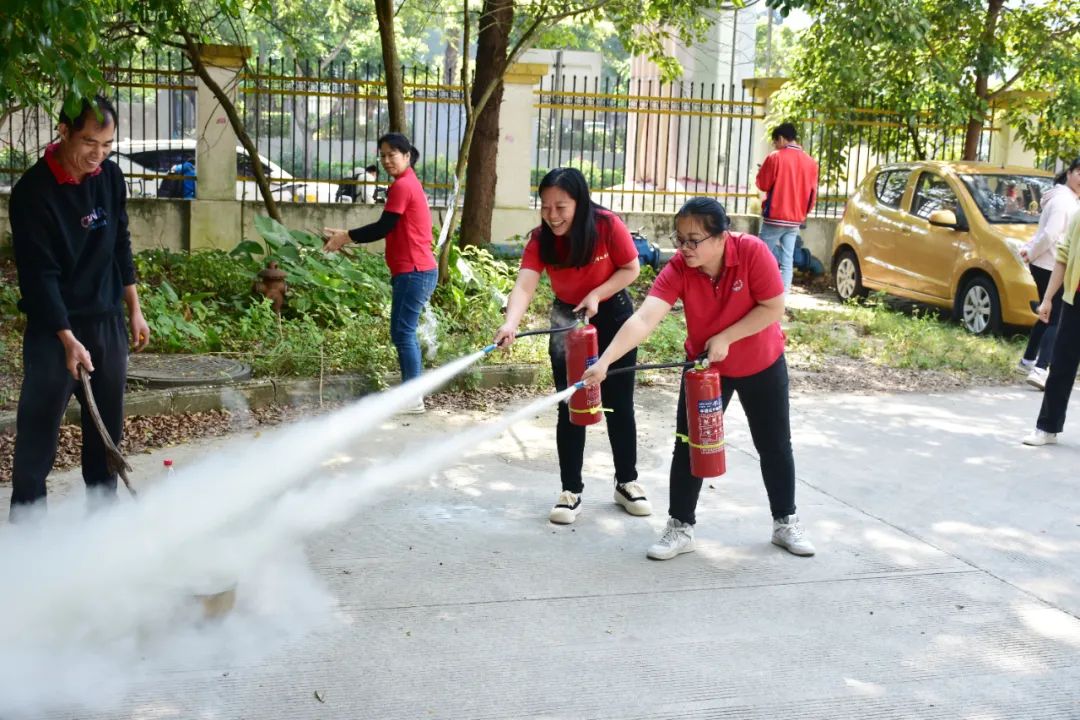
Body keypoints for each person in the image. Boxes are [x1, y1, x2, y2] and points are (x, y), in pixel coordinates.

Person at [582, 197, 814, 560]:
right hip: (705, 370)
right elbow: (644, 318)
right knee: (689, 443)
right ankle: (680, 526)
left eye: (694, 240)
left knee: (774, 445)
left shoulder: (752, 252)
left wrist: (726, 337)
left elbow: (773, 307)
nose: (685, 248)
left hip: (762, 363)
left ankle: (785, 521)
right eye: (680, 239)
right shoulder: (679, 267)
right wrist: (605, 363)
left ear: (721, 237)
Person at [8, 94, 151, 521]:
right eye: (89, 142)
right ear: (64, 131)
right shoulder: (32, 192)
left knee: (106, 435)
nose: (98, 155)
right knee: (37, 436)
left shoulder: (110, 178)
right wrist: (67, 338)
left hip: (106, 322)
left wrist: (133, 307)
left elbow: (120, 243)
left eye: (107, 145)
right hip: (54, 331)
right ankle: (28, 534)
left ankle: (100, 529)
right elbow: (40, 275)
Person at [493, 167, 648, 524]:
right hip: (568, 319)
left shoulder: (607, 225)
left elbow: (631, 268)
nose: (552, 215)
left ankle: (627, 482)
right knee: (571, 404)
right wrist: (511, 323)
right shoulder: (540, 239)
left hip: (612, 314)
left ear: (580, 202)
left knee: (619, 403)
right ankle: (570, 491)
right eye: (545, 207)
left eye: (561, 207)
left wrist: (597, 294)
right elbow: (525, 285)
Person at [323, 133, 436, 414]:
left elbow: (383, 227)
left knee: (403, 333)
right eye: (382, 155)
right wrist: (347, 235)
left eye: (392, 154)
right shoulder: (407, 183)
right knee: (402, 332)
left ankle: (413, 397)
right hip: (415, 270)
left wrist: (346, 236)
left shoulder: (403, 185)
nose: (386, 160)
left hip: (414, 270)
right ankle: (412, 394)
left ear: (407, 156)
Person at [1022, 162, 1080, 447]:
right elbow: (1063, 257)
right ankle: (1046, 428)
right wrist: (1047, 299)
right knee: (1061, 365)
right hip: (1075, 300)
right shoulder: (1078, 214)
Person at [754, 122, 819, 293]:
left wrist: (761, 172)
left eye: (775, 141)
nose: (775, 145)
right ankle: (783, 295)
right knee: (787, 260)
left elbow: (762, 184)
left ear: (782, 139)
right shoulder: (811, 162)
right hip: (796, 218)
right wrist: (803, 213)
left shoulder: (775, 157)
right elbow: (812, 193)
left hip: (775, 216)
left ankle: (760, 291)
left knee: (760, 255)